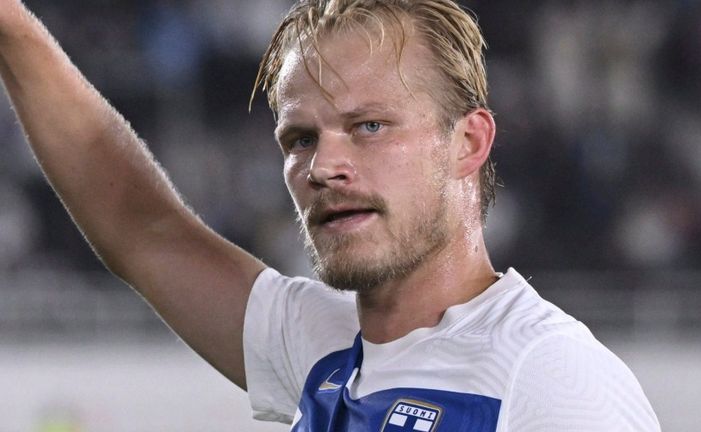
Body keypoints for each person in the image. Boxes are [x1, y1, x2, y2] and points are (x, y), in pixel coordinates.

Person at [0, 0, 660, 430]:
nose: (322, 166)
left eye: (369, 125)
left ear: (469, 143)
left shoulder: (548, 378)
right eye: (300, 139)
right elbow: (142, 229)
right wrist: (13, 30)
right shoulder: (323, 346)